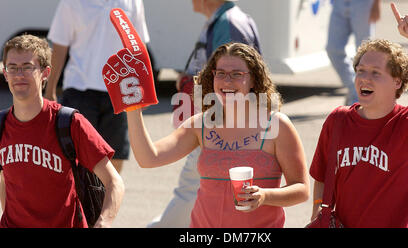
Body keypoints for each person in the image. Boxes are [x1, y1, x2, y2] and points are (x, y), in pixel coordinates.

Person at [124, 42, 309, 227]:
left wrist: (264, 195)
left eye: (237, 74)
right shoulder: (201, 124)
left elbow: (301, 189)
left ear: (253, 79)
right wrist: (133, 109)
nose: (227, 81)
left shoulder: (276, 125)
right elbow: (148, 158)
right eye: (220, 73)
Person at [309, 3, 408, 227]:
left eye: (376, 73)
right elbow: (321, 176)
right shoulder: (338, 120)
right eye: (361, 71)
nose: (364, 78)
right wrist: (319, 212)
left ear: (397, 81)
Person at [150, 0, 261, 227]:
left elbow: (232, 79)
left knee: (191, 189)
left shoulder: (228, 23)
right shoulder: (224, 20)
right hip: (217, 121)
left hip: (219, 123)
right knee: (196, 190)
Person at [0, 34, 124, 228]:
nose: (19, 75)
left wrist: (104, 221)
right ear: (5, 73)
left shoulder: (68, 122)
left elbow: (114, 182)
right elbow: (4, 180)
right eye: (12, 68)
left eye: (27, 67)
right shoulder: (1, 125)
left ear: (45, 73)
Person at [44, 0, 150, 174]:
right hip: (79, 89)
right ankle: (79, 201)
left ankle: (108, 200)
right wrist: (50, 89)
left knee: (115, 157)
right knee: (76, 158)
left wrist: (144, 90)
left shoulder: (133, 2)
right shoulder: (72, 2)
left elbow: (138, 46)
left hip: (121, 91)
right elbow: (60, 45)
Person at [326, 0, 381, 105]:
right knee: (333, 49)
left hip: (362, 4)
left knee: (365, 52)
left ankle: (359, 96)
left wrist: (376, 3)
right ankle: (356, 90)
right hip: (339, 3)